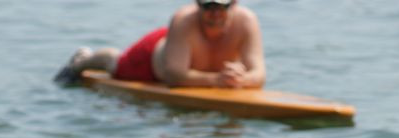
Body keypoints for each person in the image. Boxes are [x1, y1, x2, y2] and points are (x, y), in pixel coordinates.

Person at [54, 0, 265, 89]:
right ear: (198, 5)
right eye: (208, 6)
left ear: (234, 4)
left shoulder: (247, 21)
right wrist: (216, 79)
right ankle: (82, 60)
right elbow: (174, 75)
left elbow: (259, 74)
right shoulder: (183, 19)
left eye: (221, 7)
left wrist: (242, 79)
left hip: (187, 55)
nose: (215, 14)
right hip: (152, 62)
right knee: (115, 64)